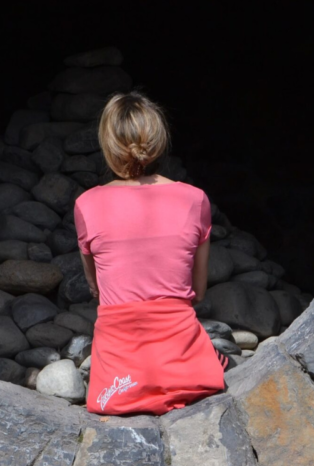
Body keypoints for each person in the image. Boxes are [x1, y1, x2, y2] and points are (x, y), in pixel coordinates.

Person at [74, 91, 225, 415]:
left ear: (107, 144)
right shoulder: (195, 199)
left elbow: (99, 291)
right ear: (158, 143)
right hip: (186, 373)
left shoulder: (86, 204)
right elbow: (197, 293)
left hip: (118, 382)